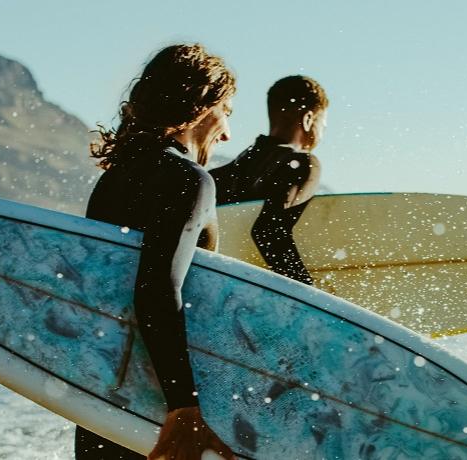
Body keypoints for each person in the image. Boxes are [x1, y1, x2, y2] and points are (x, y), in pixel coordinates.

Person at [79, 43, 236, 460]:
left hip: (102, 400)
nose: (227, 133)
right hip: (161, 408)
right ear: (202, 106)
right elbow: (157, 290)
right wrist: (183, 405)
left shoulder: (115, 179)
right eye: (228, 112)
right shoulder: (188, 179)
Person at [207, 76, 328, 286]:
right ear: (308, 119)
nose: (322, 134)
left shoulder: (221, 174)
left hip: (218, 283)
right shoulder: (303, 163)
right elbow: (268, 231)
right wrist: (308, 293)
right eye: (323, 125)